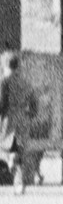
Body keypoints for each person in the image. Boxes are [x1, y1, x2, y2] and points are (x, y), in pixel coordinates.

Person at [0, 51, 27, 194]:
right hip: (22, 121)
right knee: (17, 151)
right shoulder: (23, 82)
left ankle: (8, 159)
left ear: (5, 65)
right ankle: (19, 185)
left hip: (8, 121)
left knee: (4, 150)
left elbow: (1, 103)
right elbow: (33, 103)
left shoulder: (4, 81)